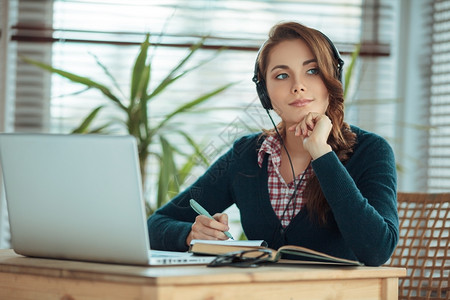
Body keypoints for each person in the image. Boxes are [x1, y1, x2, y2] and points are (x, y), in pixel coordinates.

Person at [147, 21, 398, 266]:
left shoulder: (371, 150)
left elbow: (377, 251)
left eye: (312, 71)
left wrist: (322, 153)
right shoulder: (246, 155)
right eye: (281, 75)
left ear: (332, 79)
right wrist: (191, 235)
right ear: (265, 93)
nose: (298, 86)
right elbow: (155, 224)